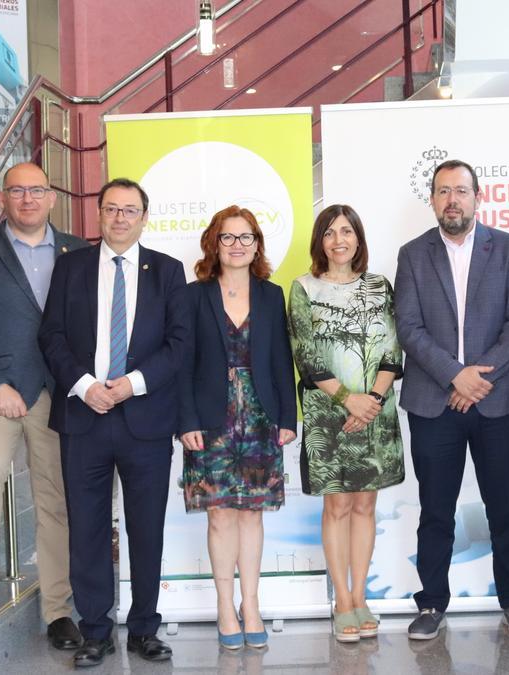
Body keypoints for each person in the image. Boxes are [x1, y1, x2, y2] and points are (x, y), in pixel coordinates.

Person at [38, 177, 188, 667]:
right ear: (98, 215)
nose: (120, 218)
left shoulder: (168, 271)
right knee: (87, 529)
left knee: (146, 530)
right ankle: (95, 631)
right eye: (111, 209)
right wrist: (85, 386)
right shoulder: (70, 267)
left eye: (130, 210)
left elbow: (180, 345)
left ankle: (145, 627)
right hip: (85, 417)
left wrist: (132, 384)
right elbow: (52, 337)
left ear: (145, 217)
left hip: (144, 418)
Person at [394, 159, 509, 640]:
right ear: (432, 200)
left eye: (461, 190)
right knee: (436, 508)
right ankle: (431, 603)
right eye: (443, 191)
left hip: (498, 402)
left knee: (504, 505)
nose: (452, 199)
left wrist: (478, 379)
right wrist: (456, 377)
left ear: (478, 197)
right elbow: (409, 328)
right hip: (434, 402)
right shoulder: (413, 254)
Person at [0, 162, 87, 651]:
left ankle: (57, 609)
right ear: (2, 200)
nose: (28, 199)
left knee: (55, 498)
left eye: (37, 190)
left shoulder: (78, 250)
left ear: (52, 197)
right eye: (17, 191)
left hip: (60, 392)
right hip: (0, 390)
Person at [177, 205, 297, 650]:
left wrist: (289, 417)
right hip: (210, 419)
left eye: (246, 237)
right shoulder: (193, 296)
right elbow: (182, 364)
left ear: (257, 244)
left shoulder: (271, 294)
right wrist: (185, 420)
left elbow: (282, 361)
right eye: (228, 237)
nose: (237, 245)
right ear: (214, 242)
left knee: (252, 513)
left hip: (262, 417)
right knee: (220, 514)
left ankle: (251, 604)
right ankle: (225, 607)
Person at [287, 204, 404, 643]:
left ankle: (361, 595)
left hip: (377, 412)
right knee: (336, 506)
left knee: (365, 506)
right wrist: (347, 400)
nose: (340, 240)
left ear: (359, 238)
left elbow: (394, 350)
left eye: (347, 231)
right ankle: (341, 600)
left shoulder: (380, 286)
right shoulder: (303, 288)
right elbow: (307, 356)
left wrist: (371, 400)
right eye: (331, 232)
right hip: (328, 415)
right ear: (320, 240)